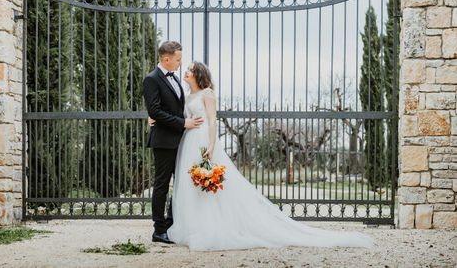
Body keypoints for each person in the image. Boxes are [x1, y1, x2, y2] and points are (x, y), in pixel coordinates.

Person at [150, 61, 374, 251]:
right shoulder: (188, 95)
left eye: (189, 69)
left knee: (210, 185)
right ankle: (190, 225)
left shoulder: (207, 94)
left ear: (198, 74)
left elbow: (212, 122)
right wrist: (155, 119)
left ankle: (211, 227)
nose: (185, 72)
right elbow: (174, 115)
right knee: (189, 185)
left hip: (202, 141)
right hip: (187, 141)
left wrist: (211, 145)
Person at [142, 41, 204, 244]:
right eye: (178, 59)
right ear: (166, 59)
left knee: (181, 184)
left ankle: (172, 224)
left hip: (182, 141)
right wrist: (183, 122)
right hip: (164, 141)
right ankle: (158, 230)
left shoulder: (176, 79)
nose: (180, 63)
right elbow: (155, 111)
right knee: (162, 185)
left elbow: (178, 108)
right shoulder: (151, 79)